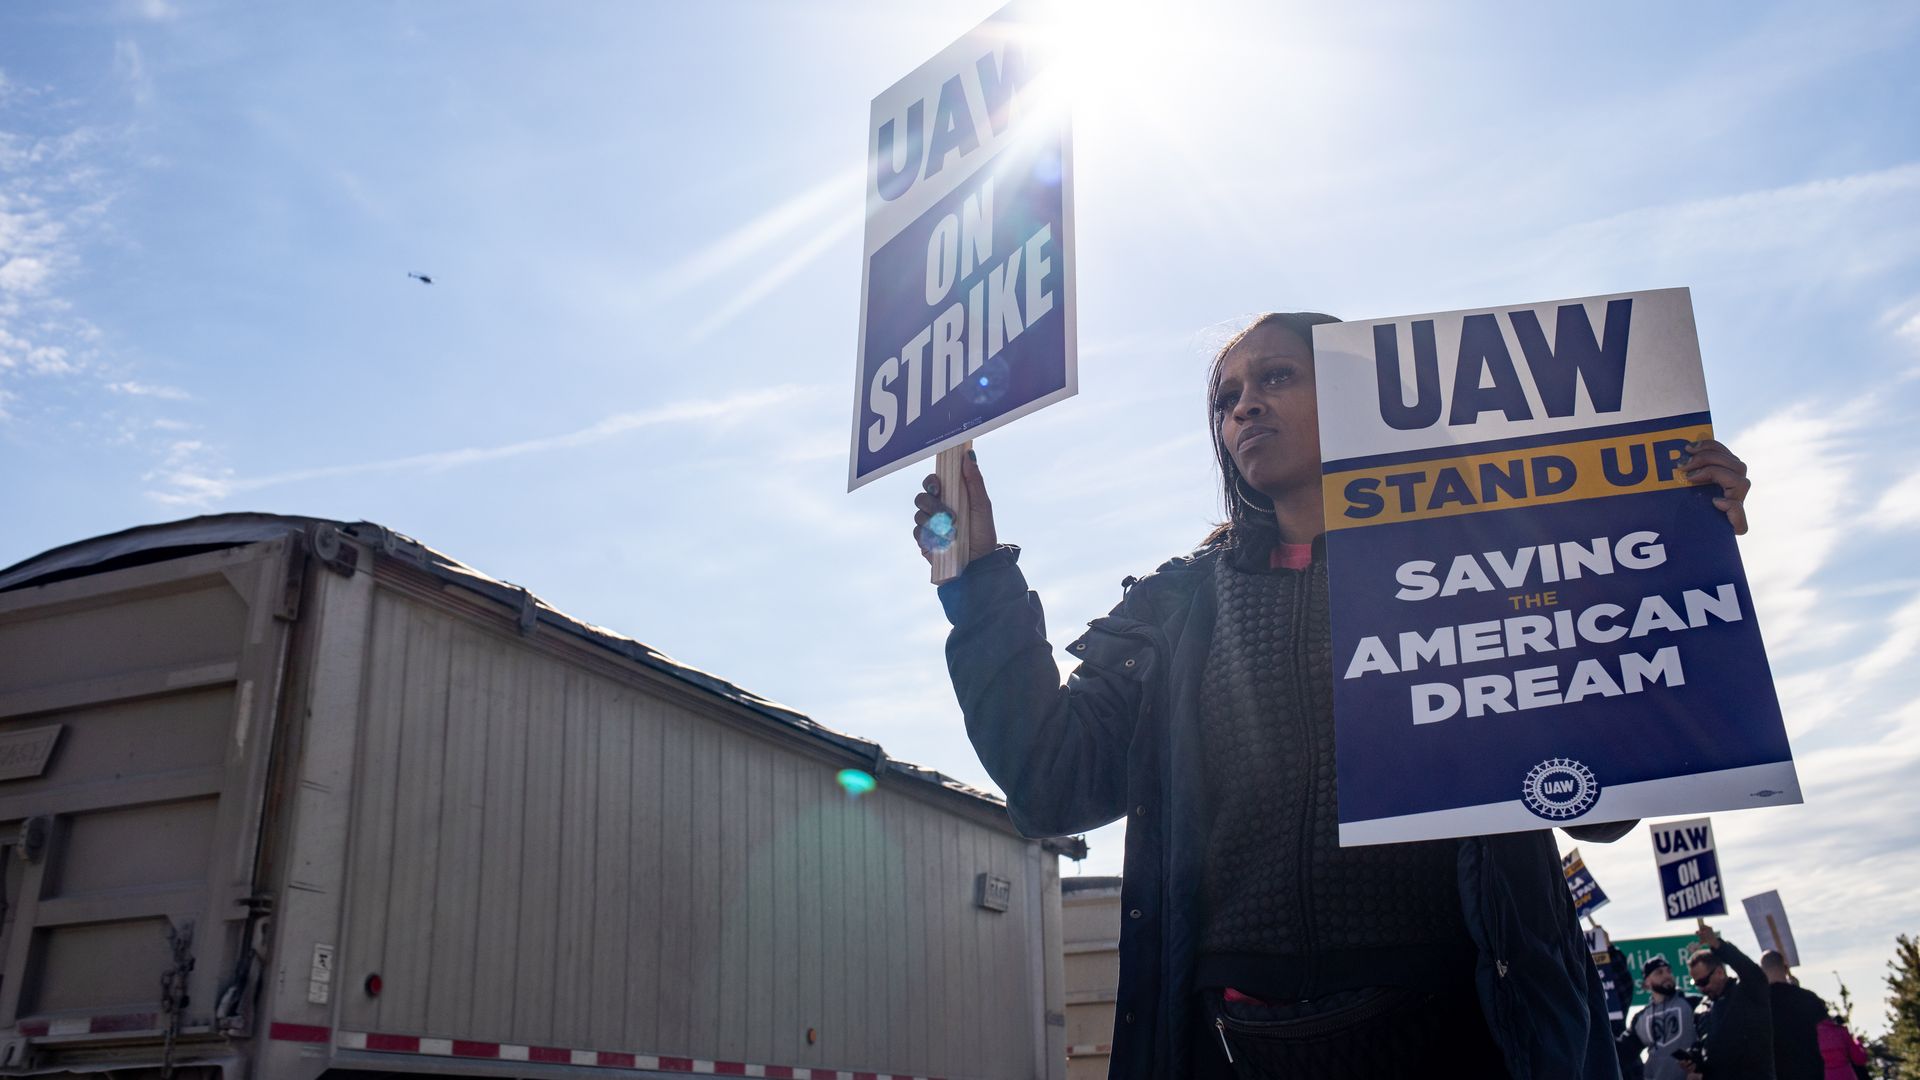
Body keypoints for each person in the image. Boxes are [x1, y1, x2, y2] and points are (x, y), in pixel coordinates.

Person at [912, 312, 1756, 1079]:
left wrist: (1669, 534)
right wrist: (980, 586)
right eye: (1226, 396)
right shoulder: (1173, 611)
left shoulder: (1483, 572)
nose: (1244, 407)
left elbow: (1598, 810)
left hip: (1464, 1033)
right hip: (1236, 1044)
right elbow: (1053, 782)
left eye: (1277, 377)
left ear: (1361, 393)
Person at [1685, 923, 1774, 1078]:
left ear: (1719, 972)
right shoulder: (1701, 1010)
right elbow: (1705, 1047)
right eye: (1696, 984)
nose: (1701, 988)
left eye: (1703, 982)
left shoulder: (1746, 992)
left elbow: (1750, 971)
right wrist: (1694, 1058)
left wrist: (1717, 944)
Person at [1620, 956, 1703, 1080]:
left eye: (1668, 971)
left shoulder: (1693, 1002)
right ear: (1647, 982)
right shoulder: (1641, 1018)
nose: (1667, 975)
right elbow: (1623, 1052)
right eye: (1659, 972)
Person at [1762, 950, 1830, 1080]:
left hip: (1778, 1070)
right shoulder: (1808, 997)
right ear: (1786, 968)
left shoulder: (1759, 1003)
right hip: (1811, 1068)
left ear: (1762, 971)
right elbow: (1824, 1027)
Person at [1814, 1012, 1870, 1080]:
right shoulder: (1840, 1031)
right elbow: (1860, 1058)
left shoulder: (1812, 1035)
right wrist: (1858, 1043)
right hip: (1846, 1074)